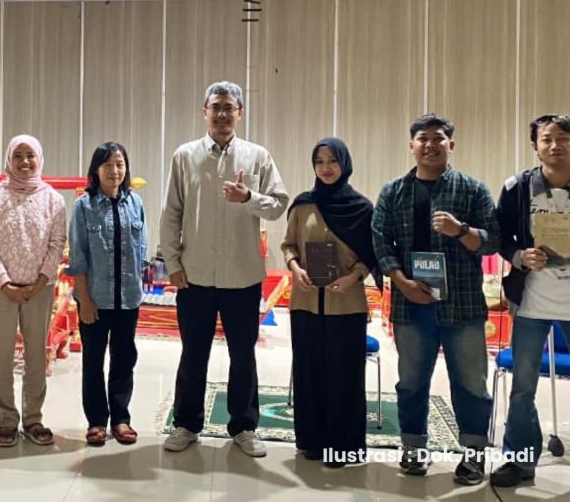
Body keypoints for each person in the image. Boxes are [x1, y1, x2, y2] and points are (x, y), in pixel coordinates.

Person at [160, 81, 289, 457]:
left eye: (229, 107)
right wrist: (173, 263)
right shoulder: (185, 156)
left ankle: (244, 427)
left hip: (242, 275)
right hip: (195, 275)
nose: (221, 114)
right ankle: (186, 424)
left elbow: (278, 205)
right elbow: (171, 213)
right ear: (204, 112)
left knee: (243, 356)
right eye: (215, 107)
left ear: (240, 113)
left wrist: (249, 197)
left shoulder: (258, 156)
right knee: (193, 354)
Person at [371, 113, 500, 484]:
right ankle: (413, 449)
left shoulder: (473, 189)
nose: (430, 145)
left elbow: (491, 240)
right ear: (411, 146)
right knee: (411, 382)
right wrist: (401, 282)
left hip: (463, 305)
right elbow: (380, 241)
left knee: (471, 384)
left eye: (438, 138)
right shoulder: (393, 192)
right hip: (411, 304)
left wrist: (460, 230)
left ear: (451, 144)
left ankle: (473, 457)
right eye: (422, 139)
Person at [492, 115, 570, 492]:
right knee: (522, 389)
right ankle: (520, 461)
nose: (555, 145)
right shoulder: (517, 188)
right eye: (547, 139)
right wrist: (520, 257)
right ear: (535, 146)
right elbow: (499, 236)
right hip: (531, 304)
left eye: (563, 138)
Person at [281, 137, 377, 467]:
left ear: (344, 164)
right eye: (319, 161)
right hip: (305, 302)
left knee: (344, 376)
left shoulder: (362, 209)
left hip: (346, 304)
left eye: (332, 161)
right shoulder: (302, 205)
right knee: (309, 372)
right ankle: (312, 441)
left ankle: (343, 447)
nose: (325, 168)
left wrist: (353, 277)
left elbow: (371, 255)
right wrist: (295, 268)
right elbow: (288, 246)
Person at [0, 135, 66, 448]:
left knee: (36, 355)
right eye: (18, 156)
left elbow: (57, 243)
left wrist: (40, 282)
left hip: (39, 289)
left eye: (31, 155)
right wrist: (4, 282)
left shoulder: (53, 200)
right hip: (1, 290)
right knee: (1, 355)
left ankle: (33, 419)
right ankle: (7, 419)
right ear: (9, 160)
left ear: (39, 158)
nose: (25, 162)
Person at [67, 142, 147, 447]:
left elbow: (141, 251)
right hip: (95, 300)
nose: (115, 171)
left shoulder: (135, 203)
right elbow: (78, 257)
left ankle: (121, 418)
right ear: (96, 170)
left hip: (128, 299)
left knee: (124, 359)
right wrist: (84, 300)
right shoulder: (83, 206)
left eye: (120, 164)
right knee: (93, 361)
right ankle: (97, 421)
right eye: (108, 165)